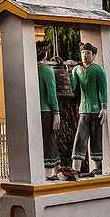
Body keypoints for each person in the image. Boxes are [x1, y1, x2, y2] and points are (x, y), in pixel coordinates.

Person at [71, 42, 108, 177]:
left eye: (88, 53)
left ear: (94, 55)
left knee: (96, 137)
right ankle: (76, 168)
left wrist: (104, 107)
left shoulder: (98, 70)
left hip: (96, 109)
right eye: (83, 53)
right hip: (83, 109)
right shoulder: (77, 70)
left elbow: (103, 89)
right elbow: (73, 86)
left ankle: (97, 167)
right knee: (80, 137)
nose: (85, 56)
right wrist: (70, 70)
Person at [36, 42, 62, 180]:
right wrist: (56, 112)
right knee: (48, 140)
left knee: (44, 140)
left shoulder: (31, 70)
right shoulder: (47, 70)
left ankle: (58, 169)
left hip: (34, 111)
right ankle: (48, 173)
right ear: (45, 54)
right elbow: (51, 94)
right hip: (47, 111)